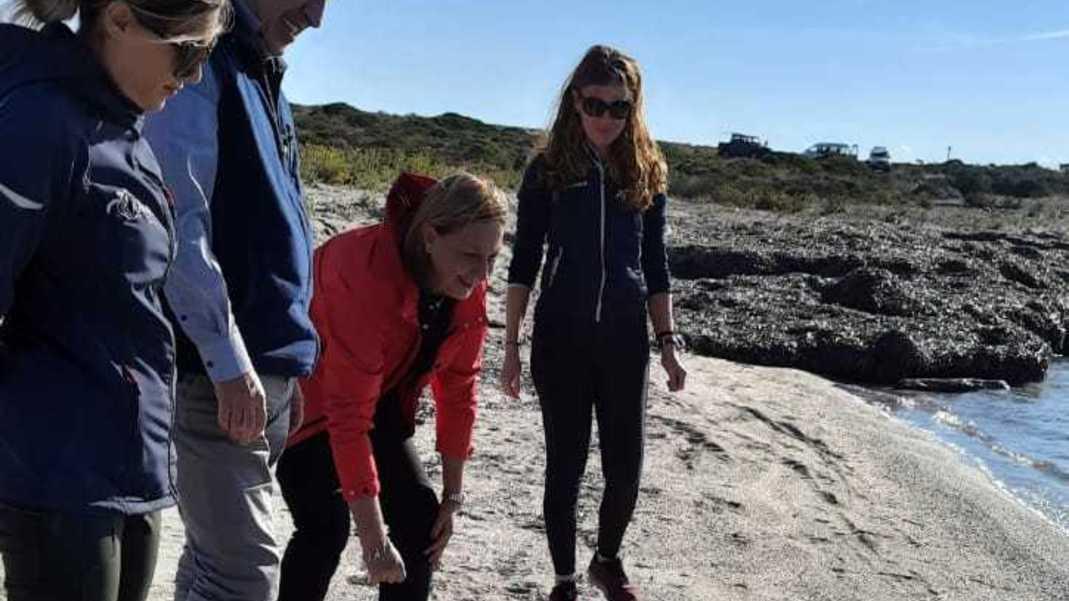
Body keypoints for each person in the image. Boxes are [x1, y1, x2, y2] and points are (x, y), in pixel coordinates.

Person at [0, 1, 228, 600]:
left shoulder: (122, 129)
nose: (196, 74)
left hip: (129, 464)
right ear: (120, 19)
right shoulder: (40, 121)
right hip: (58, 472)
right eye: (189, 49)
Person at [141, 0, 326, 599]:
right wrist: (229, 360)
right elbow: (178, 222)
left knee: (212, 563)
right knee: (244, 574)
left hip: (260, 370)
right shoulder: (207, 59)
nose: (315, 16)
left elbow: (284, 223)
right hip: (217, 374)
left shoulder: (260, 67)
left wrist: (287, 366)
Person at [500, 45, 688, 601]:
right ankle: (564, 581)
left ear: (634, 109)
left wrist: (669, 343)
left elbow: (656, 265)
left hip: (625, 340)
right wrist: (510, 345)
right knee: (566, 464)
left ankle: (606, 559)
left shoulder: (646, 170)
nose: (605, 118)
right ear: (574, 102)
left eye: (618, 107)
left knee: (625, 469)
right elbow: (523, 263)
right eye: (594, 104)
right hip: (560, 338)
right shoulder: (548, 170)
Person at [277, 172, 506, 601]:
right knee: (324, 526)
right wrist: (374, 542)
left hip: (378, 396)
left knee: (421, 523)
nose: (482, 274)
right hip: (303, 397)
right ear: (431, 237)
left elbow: (459, 389)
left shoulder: (468, 284)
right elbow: (346, 417)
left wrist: (452, 495)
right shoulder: (361, 272)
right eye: (472, 255)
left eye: (493, 257)